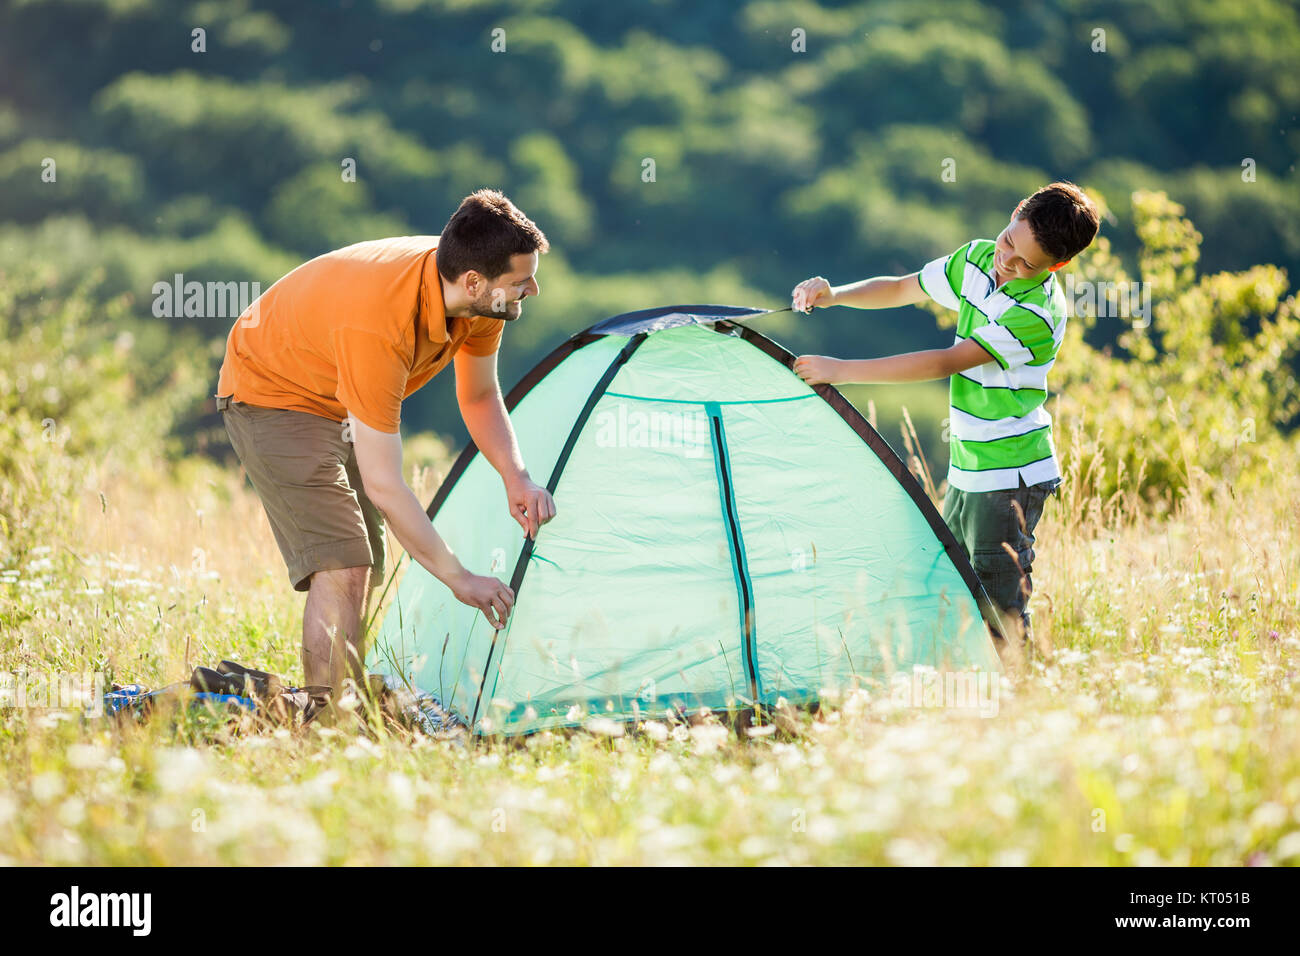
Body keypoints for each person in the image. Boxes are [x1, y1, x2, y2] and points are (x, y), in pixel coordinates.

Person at [215, 189, 555, 700]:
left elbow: (480, 394)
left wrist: (516, 475)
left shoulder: (483, 302)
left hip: (335, 388)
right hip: (273, 392)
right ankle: (327, 721)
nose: (534, 289)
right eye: (522, 279)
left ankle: (341, 706)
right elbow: (386, 485)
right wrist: (459, 578)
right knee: (342, 559)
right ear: (473, 281)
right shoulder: (380, 322)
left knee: (362, 558)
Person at [790, 181, 1100, 650]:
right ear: (1015, 213)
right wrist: (835, 295)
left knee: (1000, 608)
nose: (1008, 263)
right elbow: (900, 287)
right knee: (945, 587)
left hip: (1008, 474)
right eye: (1009, 243)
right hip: (969, 466)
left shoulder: (1035, 314)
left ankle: (1022, 706)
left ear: (1057, 266)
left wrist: (841, 370)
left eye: (1027, 264)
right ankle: (960, 702)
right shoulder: (976, 258)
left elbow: (942, 363)